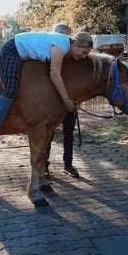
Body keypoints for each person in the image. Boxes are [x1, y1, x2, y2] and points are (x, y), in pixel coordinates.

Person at [0, 29, 94, 156]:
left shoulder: (67, 49)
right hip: (13, 51)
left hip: (26, 55)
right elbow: (55, 74)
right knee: (10, 89)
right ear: (76, 44)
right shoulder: (62, 46)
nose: (84, 56)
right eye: (84, 52)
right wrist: (66, 100)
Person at [48, 23, 80, 178]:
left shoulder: (73, 57)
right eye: (67, 36)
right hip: (53, 101)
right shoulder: (51, 52)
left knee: (69, 133)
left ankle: (68, 164)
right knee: (48, 133)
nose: (69, 40)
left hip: (69, 100)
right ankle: (44, 165)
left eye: (70, 36)